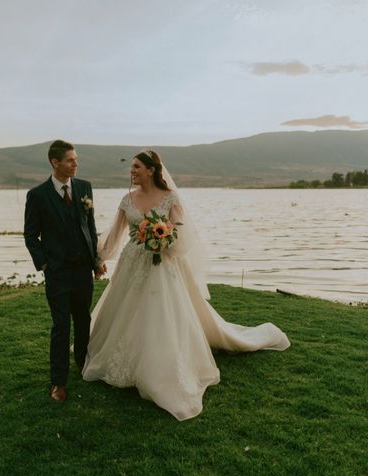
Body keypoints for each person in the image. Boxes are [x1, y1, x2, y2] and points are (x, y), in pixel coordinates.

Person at [82, 149, 290, 420]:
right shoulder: (127, 200)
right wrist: (98, 259)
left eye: (136, 167)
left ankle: (161, 365)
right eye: (131, 167)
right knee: (126, 310)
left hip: (162, 264)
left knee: (161, 311)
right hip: (131, 263)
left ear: (151, 170)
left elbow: (182, 234)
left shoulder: (170, 198)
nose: (131, 171)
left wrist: (165, 239)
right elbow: (114, 236)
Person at [24, 140, 105, 403]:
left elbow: (90, 227)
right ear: (55, 162)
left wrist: (96, 260)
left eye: (76, 159)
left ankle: (83, 365)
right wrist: (44, 263)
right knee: (61, 326)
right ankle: (58, 382)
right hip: (57, 273)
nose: (75, 163)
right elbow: (30, 236)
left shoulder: (84, 188)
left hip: (83, 270)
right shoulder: (37, 195)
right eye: (70, 160)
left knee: (83, 320)